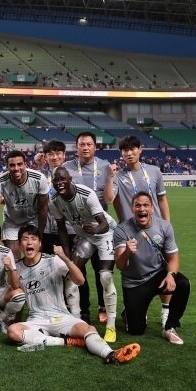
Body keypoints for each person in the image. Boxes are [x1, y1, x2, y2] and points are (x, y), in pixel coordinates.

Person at [9, 226, 140, 365]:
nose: (29, 242)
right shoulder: (17, 268)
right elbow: (16, 294)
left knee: (89, 329)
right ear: (19, 244)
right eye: (25, 239)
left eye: (33, 239)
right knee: (13, 331)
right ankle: (66, 341)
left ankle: (111, 354)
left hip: (60, 317)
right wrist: (11, 270)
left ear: (40, 243)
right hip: (36, 319)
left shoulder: (53, 260)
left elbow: (80, 280)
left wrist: (65, 258)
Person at [49, 167, 119, 343]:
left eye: (63, 179)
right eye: (56, 181)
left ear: (70, 179)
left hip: (105, 233)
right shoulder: (55, 202)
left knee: (105, 276)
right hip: (85, 236)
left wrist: (95, 229)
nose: (59, 183)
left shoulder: (86, 194)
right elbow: (62, 230)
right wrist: (67, 257)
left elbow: (104, 223)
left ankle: (111, 326)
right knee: (71, 275)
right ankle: (75, 321)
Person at [114, 192, 190, 345]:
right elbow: (120, 266)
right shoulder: (122, 230)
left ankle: (170, 327)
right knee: (136, 330)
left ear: (152, 208)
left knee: (183, 284)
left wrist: (170, 274)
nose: (142, 209)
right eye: (138, 205)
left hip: (157, 275)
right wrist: (127, 253)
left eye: (145, 205)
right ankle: (129, 313)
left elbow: (173, 257)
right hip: (135, 282)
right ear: (132, 208)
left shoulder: (164, 226)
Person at [64, 131, 117, 325]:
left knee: (101, 270)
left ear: (95, 147)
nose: (85, 147)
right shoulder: (67, 167)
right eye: (81, 144)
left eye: (89, 144)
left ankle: (103, 307)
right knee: (79, 271)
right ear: (76, 147)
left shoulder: (104, 167)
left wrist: (111, 177)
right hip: (79, 228)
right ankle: (83, 309)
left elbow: (110, 199)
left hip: (102, 227)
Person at [0, 150, 49, 256]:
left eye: (20, 164)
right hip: (12, 222)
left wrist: (40, 234)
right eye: (12, 165)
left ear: (25, 164)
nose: (16, 168)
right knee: (13, 258)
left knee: (35, 258)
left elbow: (43, 208)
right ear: (6, 166)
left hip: (33, 220)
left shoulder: (39, 179)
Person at [113, 135, 169, 224]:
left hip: (155, 226)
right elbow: (109, 200)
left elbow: (162, 199)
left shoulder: (154, 171)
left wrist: (167, 224)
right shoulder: (117, 176)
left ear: (140, 149)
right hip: (130, 228)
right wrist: (109, 177)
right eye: (125, 150)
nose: (129, 153)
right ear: (121, 153)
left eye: (132, 149)